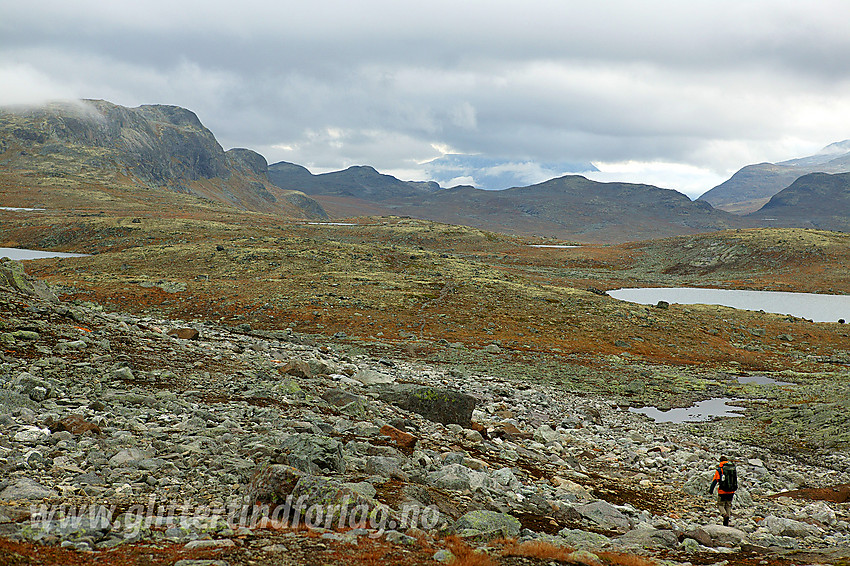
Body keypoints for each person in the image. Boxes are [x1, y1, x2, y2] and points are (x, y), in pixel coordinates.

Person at [708, 456, 737, 526]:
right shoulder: (732, 468)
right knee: (728, 505)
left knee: (720, 504)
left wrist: (711, 490)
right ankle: (726, 521)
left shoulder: (720, 470)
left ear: (720, 462)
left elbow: (715, 481)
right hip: (731, 491)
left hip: (722, 491)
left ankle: (724, 515)